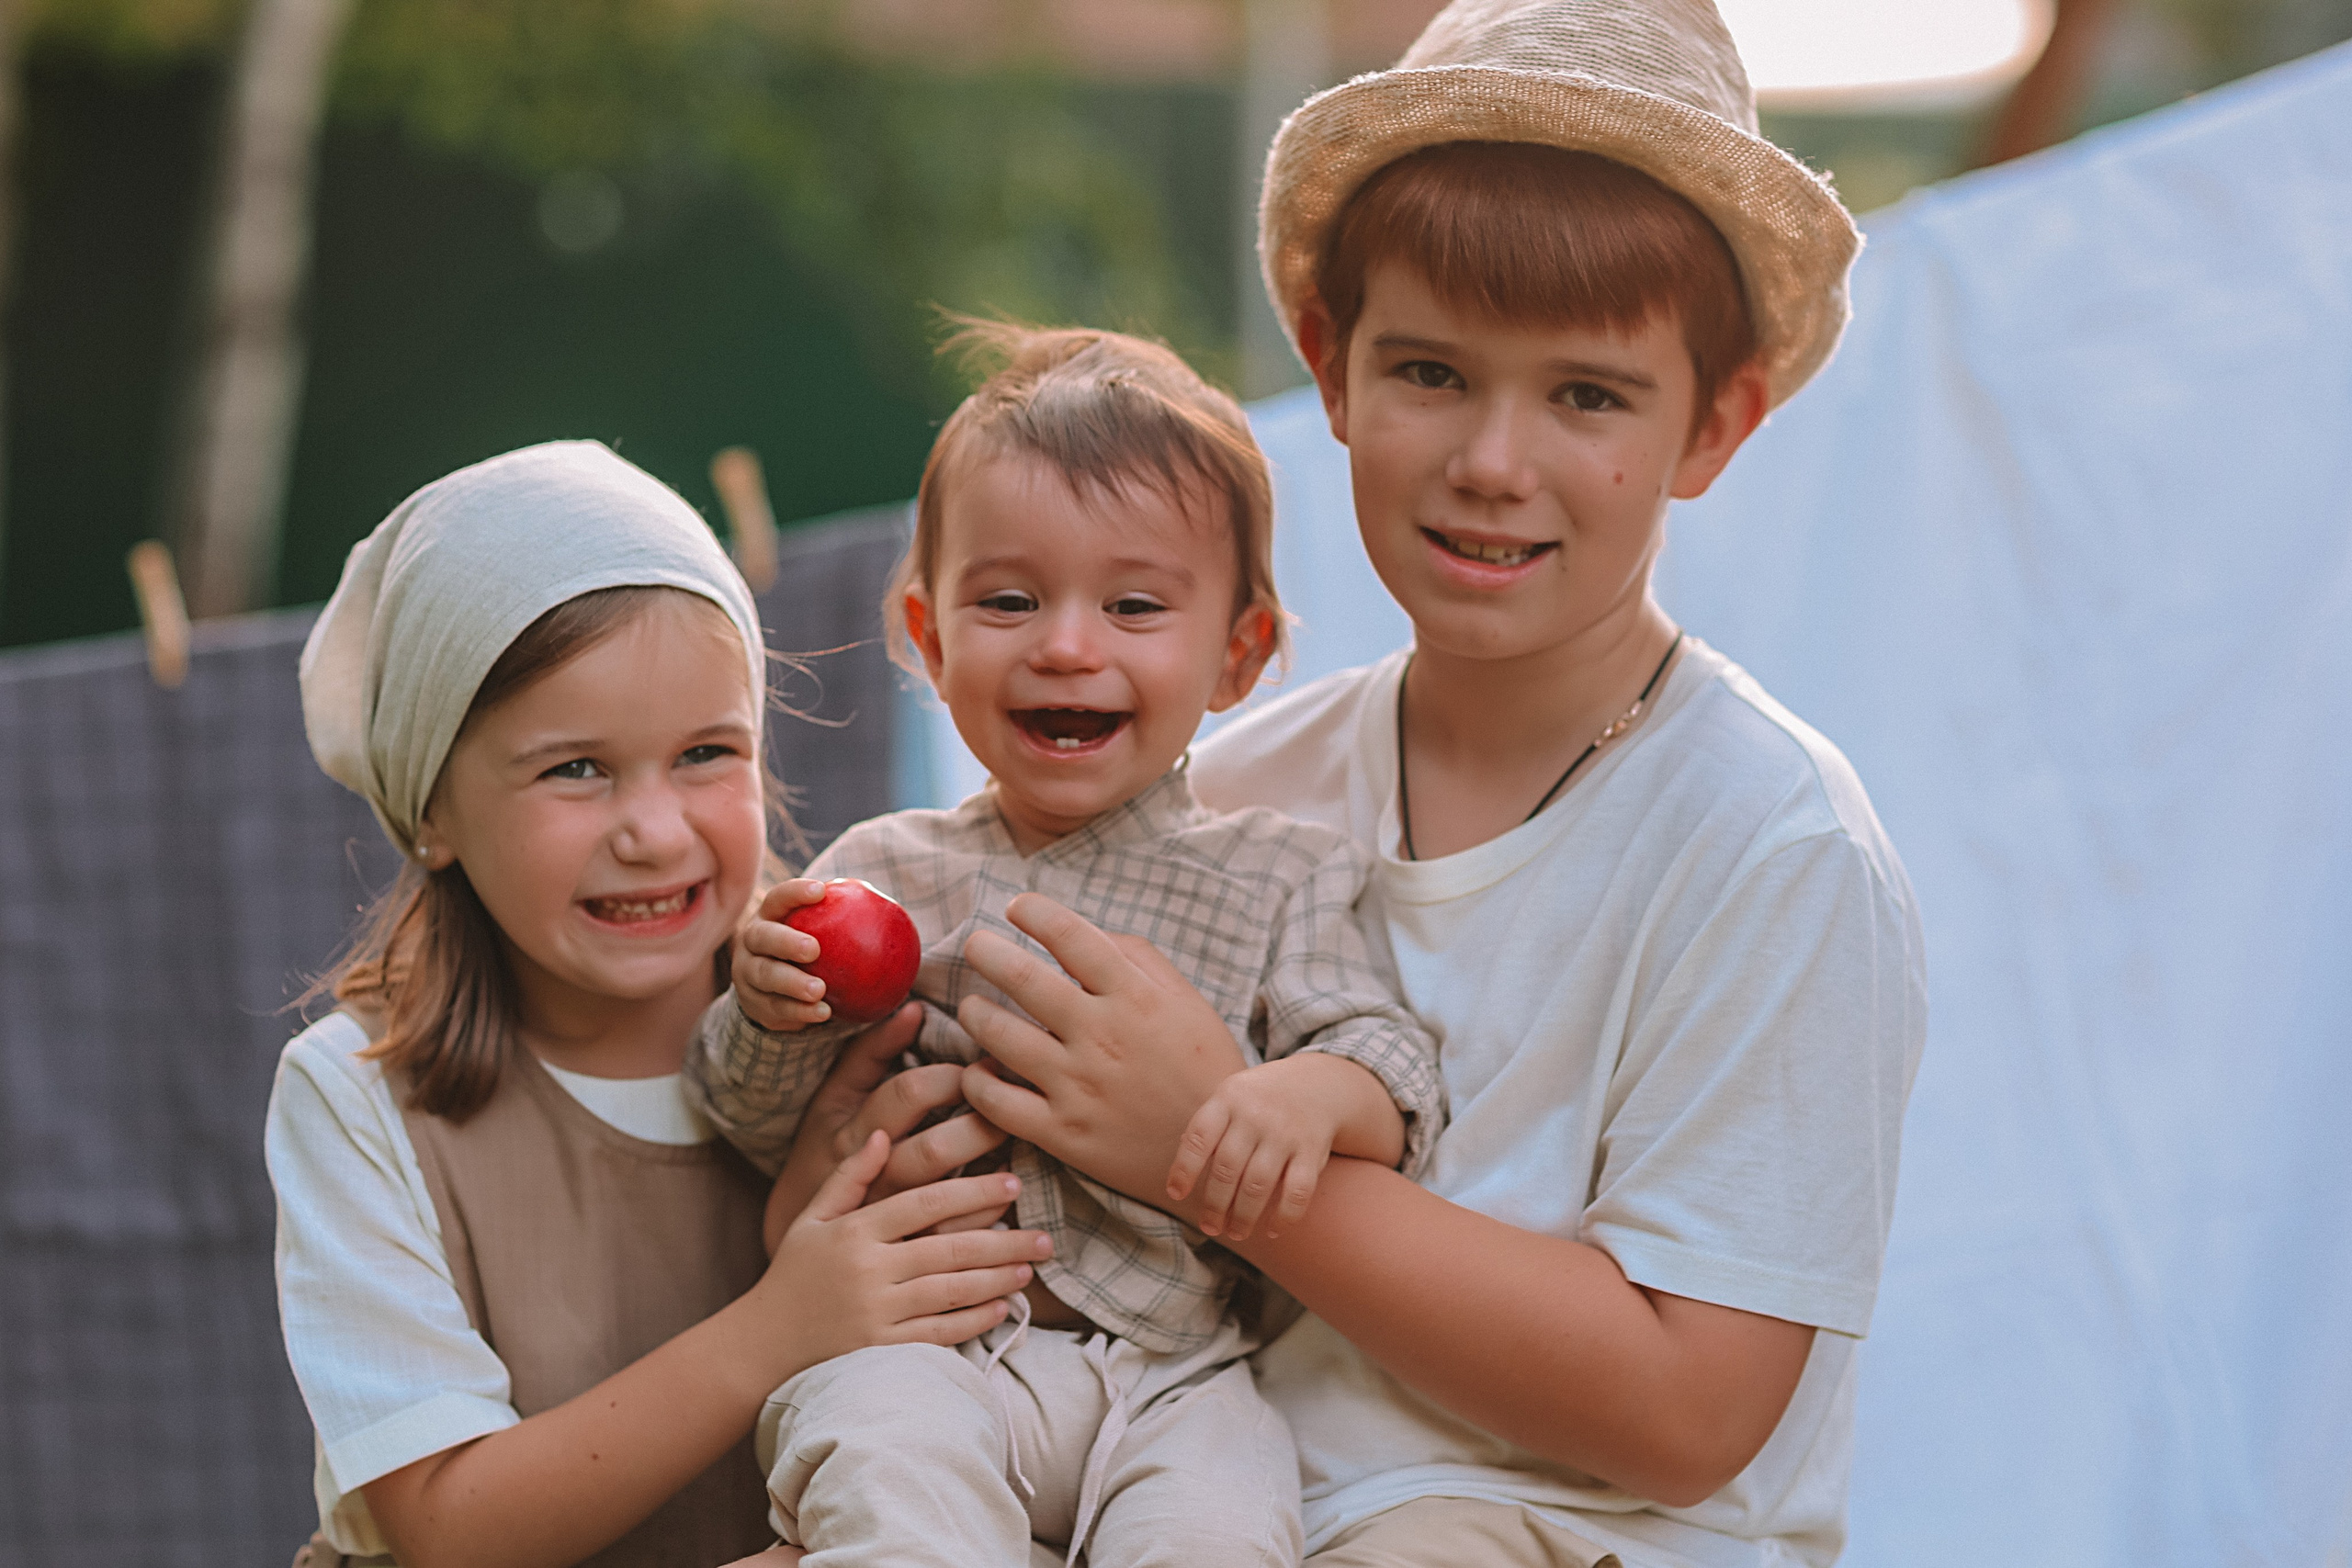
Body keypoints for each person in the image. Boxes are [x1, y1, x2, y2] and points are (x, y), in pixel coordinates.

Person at [933, 3, 1928, 1566]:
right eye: (1431, 372)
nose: (1492, 459)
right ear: (1330, 371)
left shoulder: (1773, 846)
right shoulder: (1225, 786)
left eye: (1588, 396)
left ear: (1715, 424)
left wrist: (1207, 1138)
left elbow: (1689, 1409)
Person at [684, 323, 1445, 1568]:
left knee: (1221, 1524)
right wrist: (766, 1014)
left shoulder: (1282, 871)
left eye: (1135, 604)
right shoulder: (878, 869)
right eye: (1009, 599)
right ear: (929, 639)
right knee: (877, 1458)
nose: (1067, 644)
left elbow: (1388, 1065)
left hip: (1176, 1370)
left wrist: (1307, 1091)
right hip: (922, 1346)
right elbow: (749, 1117)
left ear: (1238, 653)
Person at [266, 441, 1051, 1568]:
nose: (654, 831)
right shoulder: (356, 1099)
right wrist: (781, 1325)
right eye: (575, 769)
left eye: (703, 754)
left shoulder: (864, 1027)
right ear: (430, 807)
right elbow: (444, 1526)